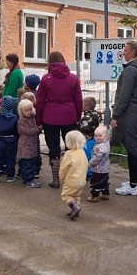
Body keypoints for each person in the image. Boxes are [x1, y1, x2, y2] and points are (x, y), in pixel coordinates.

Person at [111, 38, 137, 196]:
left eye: (126, 50)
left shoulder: (130, 70)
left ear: (133, 52)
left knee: (132, 147)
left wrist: (115, 115)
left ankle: (133, 185)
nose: (123, 52)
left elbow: (124, 96)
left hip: (130, 112)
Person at [36, 51, 83, 188]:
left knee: (53, 147)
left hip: (50, 117)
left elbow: (40, 101)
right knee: (72, 147)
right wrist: (77, 116)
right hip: (69, 116)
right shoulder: (73, 78)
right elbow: (78, 100)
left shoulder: (46, 78)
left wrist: (39, 120)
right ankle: (71, 178)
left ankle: (56, 179)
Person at [0, 96, 19, 182]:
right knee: (10, 158)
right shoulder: (14, 118)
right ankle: (10, 176)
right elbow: (16, 131)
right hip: (11, 141)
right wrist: (16, 138)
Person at [59, 130, 88, 220]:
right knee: (76, 195)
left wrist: (61, 176)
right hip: (82, 180)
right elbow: (86, 164)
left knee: (66, 195)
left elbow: (63, 168)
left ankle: (75, 207)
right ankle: (76, 210)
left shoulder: (69, 154)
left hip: (71, 180)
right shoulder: (82, 152)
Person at [17, 99, 42, 188]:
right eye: (26, 110)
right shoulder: (22, 120)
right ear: (21, 111)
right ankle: (29, 181)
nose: (29, 112)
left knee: (31, 162)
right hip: (25, 145)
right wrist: (38, 128)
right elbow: (28, 131)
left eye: (30, 109)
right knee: (28, 164)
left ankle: (27, 179)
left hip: (31, 145)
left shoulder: (32, 118)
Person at [86, 126, 111, 202]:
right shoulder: (107, 143)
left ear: (106, 136)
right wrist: (111, 129)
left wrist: (90, 164)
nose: (97, 138)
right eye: (96, 136)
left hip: (98, 169)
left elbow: (97, 158)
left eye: (100, 136)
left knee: (96, 182)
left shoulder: (99, 147)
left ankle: (94, 196)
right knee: (104, 182)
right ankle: (105, 194)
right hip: (105, 168)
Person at [79, 96, 101, 179]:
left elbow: (83, 128)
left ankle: (88, 172)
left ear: (86, 107)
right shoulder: (97, 115)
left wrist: (78, 125)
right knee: (92, 154)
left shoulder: (86, 118)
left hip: (87, 139)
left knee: (86, 155)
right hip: (94, 138)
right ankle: (92, 170)